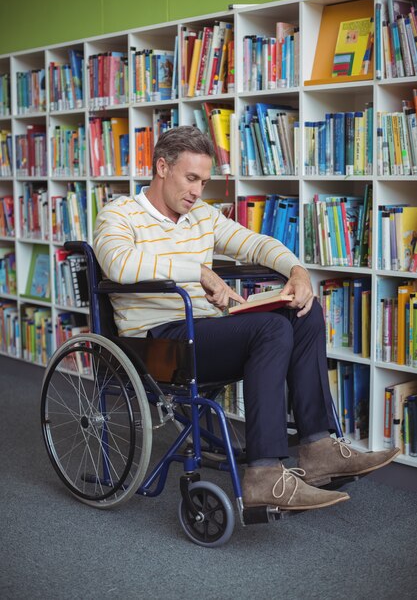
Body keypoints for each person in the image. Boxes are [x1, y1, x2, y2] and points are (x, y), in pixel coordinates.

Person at [93, 125, 399, 511]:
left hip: (200, 332)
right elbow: (119, 264)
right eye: (190, 178)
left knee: (303, 311)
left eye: (203, 182)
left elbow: (255, 243)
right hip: (155, 346)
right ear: (161, 167)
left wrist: (297, 272)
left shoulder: (201, 216)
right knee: (270, 328)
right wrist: (199, 271)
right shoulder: (119, 214)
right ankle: (264, 474)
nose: (196, 192)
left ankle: (319, 447)